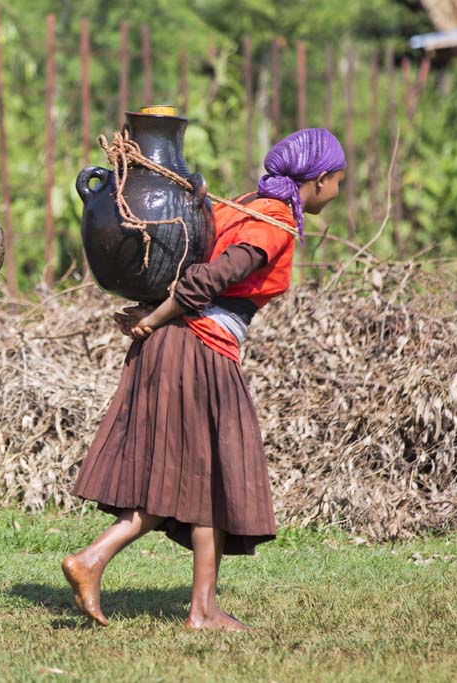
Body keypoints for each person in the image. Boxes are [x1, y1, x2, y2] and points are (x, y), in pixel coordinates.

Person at [62, 128, 346, 630]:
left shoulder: (242, 206)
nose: (339, 191)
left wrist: (152, 312)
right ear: (319, 180)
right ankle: (95, 559)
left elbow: (180, 257)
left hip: (176, 342)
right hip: (198, 348)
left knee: (204, 476)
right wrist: (152, 318)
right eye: (339, 181)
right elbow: (208, 279)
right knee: (198, 476)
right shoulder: (272, 223)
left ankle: (201, 608)